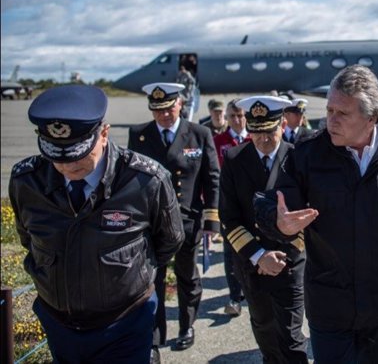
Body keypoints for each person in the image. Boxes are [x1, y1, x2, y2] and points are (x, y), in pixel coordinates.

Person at [254, 65, 378, 364]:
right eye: (330, 109)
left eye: (342, 113)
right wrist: (279, 221)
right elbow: (272, 202)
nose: (330, 120)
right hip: (330, 302)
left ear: (372, 117)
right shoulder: (308, 153)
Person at [9, 85, 184, 364]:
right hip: (59, 324)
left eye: (78, 156)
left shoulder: (145, 180)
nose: (67, 167)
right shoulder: (27, 181)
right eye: (57, 157)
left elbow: (169, 240)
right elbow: (28, 238)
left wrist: (128, 273)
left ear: (104, 133)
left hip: (126, 322)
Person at [128, 82, 220, 359]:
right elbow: (132, 180)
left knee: (187, 276)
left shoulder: (199, 133)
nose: (164, 115)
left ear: (180, 104)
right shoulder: (140, 135)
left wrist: (212, 220)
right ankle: (154, 336)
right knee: (151, 280)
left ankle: (186, 326)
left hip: (187, 219)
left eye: (169, 108)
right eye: (158, 110)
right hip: (151, 222)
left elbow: (212, 179)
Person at [219, 95, 309, 364]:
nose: (263, 139)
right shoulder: (234, 159)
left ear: (282, 124)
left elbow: (311, 210)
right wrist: (260, 256)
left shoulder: (297, 158)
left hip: (290, 260)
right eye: (256, 131)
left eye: (269, 130)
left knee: (292, 335)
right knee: (264, 329)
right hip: (252, 262)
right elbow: (229, 217)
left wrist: (287, 254)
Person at [212, 98, 249, 316]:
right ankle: (234, 297)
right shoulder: (218, 141)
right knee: (231, 252)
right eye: (233, 116)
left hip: (252, 205)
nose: (237, 120)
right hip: (228, 205)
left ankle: (251, 291)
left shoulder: (255, 138)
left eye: (241, 115)